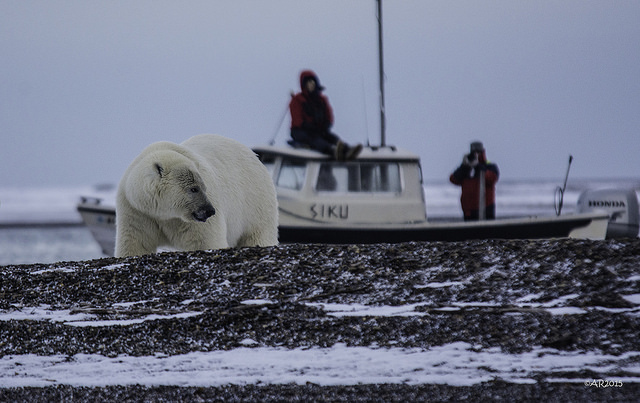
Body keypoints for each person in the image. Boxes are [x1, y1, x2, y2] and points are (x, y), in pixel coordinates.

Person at [289, 70, 362, 160]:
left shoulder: (322, 100)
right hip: (301, 131)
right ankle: (332, 151)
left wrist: (326, 125)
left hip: (318, 130)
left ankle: (347, 149)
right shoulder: (297, 100)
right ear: (304, 85)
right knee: (316, 140)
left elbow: (329, 115)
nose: (311, 85)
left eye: (312, 82)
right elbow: (297, 120)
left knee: (332, 137)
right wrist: (310, 127)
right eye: (308, 83)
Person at [449, 141, 499, 221]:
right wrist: (464, 166)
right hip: (468, 210)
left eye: (478, 152)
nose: (476, 155)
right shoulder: (467, 169)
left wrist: (479, 167)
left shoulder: (489, 166)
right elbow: (453, 179)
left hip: (486, 208)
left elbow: (492, 178)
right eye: (474, 153)